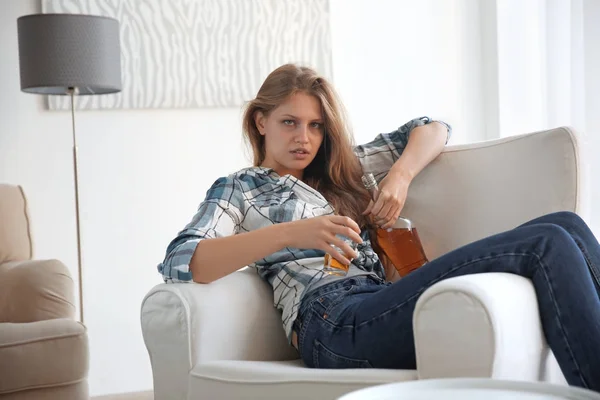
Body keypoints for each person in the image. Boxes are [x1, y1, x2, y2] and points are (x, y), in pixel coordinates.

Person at [158, 63, 600, 391]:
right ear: (261, 122)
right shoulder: (242, 187)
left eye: (315, 126)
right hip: (330, 321)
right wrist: (294, 233)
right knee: (546, 243)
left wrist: (400, 176)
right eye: (289, 123)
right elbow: (182, 259)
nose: (304, 139)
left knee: (565, 224)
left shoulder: (341, 169)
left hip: (378, 301)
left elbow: (432, 127)